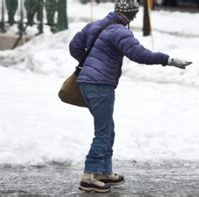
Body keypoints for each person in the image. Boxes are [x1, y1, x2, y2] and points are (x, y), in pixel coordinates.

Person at [69, 0, 192, 193]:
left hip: (87, 82)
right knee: (103, 131)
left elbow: (74, 47)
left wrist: (92, 64)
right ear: (133, 15)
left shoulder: (95, 25)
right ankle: (89, 176)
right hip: (100, 85)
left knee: (108, 128)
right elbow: (139, 54)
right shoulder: (119, 32)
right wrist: (167, 60)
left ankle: (103, 172)